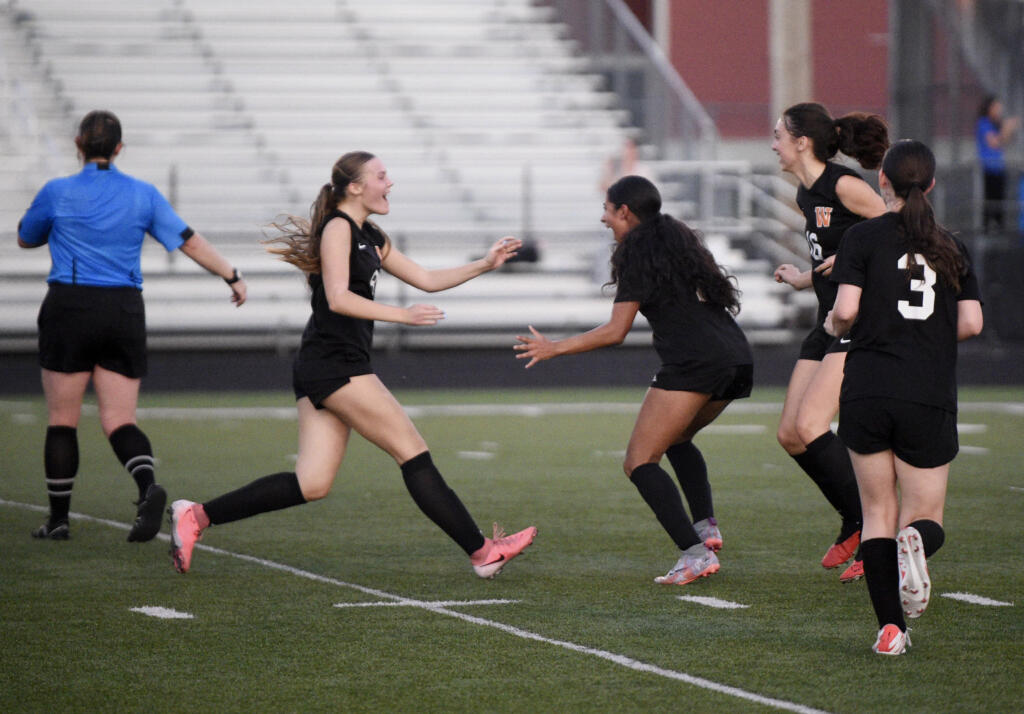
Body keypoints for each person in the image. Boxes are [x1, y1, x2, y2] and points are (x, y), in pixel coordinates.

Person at [168, 151, 536, 578]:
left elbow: (427, 278)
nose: (390, 183)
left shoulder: (371, 234)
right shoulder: (338, 228)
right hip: (336, 365)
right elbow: (339, 298)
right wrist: (404, 316)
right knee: (412, 452)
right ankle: (482, 552)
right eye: (381, 176)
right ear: (356, 187)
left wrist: (485, 264)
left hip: (323, 365)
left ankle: (196, 517)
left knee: (312, 484)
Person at [16, 110, 248, 542]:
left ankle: (59, 520)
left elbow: (26, 238)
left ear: (78, 144)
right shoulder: (143, 194)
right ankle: (147, 488)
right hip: (123, 308)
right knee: (120, 418)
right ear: (119, 148)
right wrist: (231, 275)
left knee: (62, 420)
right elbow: (189, 241)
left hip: (69, 304)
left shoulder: (57, 191)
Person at [514, 175, 752, 585]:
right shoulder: (675, 237)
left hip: (695, 361)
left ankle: (695, 555)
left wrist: (555, 348)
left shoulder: (637, 251)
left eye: (607, 209)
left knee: (639, 461)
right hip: (736, 356)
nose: (604, 218)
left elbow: (615, 331)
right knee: (675, 439)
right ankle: (705, 527)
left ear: (625, 211)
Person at [825, 139, 983, 655]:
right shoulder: (951, 244)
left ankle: (890, 631)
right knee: (924, 518)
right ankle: (913, 544)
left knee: (876, 514)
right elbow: (972, 322)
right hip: (927, 390)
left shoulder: (863, 237)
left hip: (868, 387)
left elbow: (846, 310)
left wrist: (832, 322)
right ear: (932, 185)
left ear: (882, 182)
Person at [770, 102, 889, 582]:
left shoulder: (845, 185)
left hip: (855, 321)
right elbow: (829, 252)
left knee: (813, 424)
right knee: (790, 434)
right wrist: (802, 278)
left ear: (802, 142)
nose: (773, 143)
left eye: (778, 134)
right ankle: (857, 519)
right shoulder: (805, 190)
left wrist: (850, 263)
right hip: (825, 320)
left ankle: (876, 526)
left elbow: (893, 231)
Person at [975, 95, 1020, 232]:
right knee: (989, 199)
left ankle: (999, 227)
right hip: (988, 168)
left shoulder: (996, 125)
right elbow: (994, 142)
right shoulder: (983, 123)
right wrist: (1006, 128)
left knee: (999, 199)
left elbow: (1003, 142)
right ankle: (986, 228)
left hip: (999, 167)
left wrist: (1009, 129)